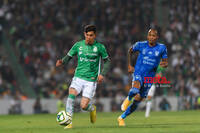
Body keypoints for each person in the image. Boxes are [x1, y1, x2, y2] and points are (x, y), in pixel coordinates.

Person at [56, 25, 110, 129]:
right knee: (71, 96)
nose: (89, 37)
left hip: (91, 80)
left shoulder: (100, 47)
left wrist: (102, 74)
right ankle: (69, 122)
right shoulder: (78, 45)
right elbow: (69, 57)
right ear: (84, 34)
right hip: (78, 77)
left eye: (91, 35)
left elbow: (107, 61)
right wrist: (62, 61)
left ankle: (92, 109)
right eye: (87, 35)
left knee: (83, 106)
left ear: (95, 35)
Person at [118, 29, 168, 126]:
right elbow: (130, 51)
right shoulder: (140, 45)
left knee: (137, 101)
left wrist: (164, 64)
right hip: (139, 72)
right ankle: (128, 98)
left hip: (150, 77)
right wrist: (129, 65)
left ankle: (121, 118)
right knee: (134, 90)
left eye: (154, 36)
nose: (151, 37)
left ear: (157, 37)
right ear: (147, 36)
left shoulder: (162, 48)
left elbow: (165, 62)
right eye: (150, 35)